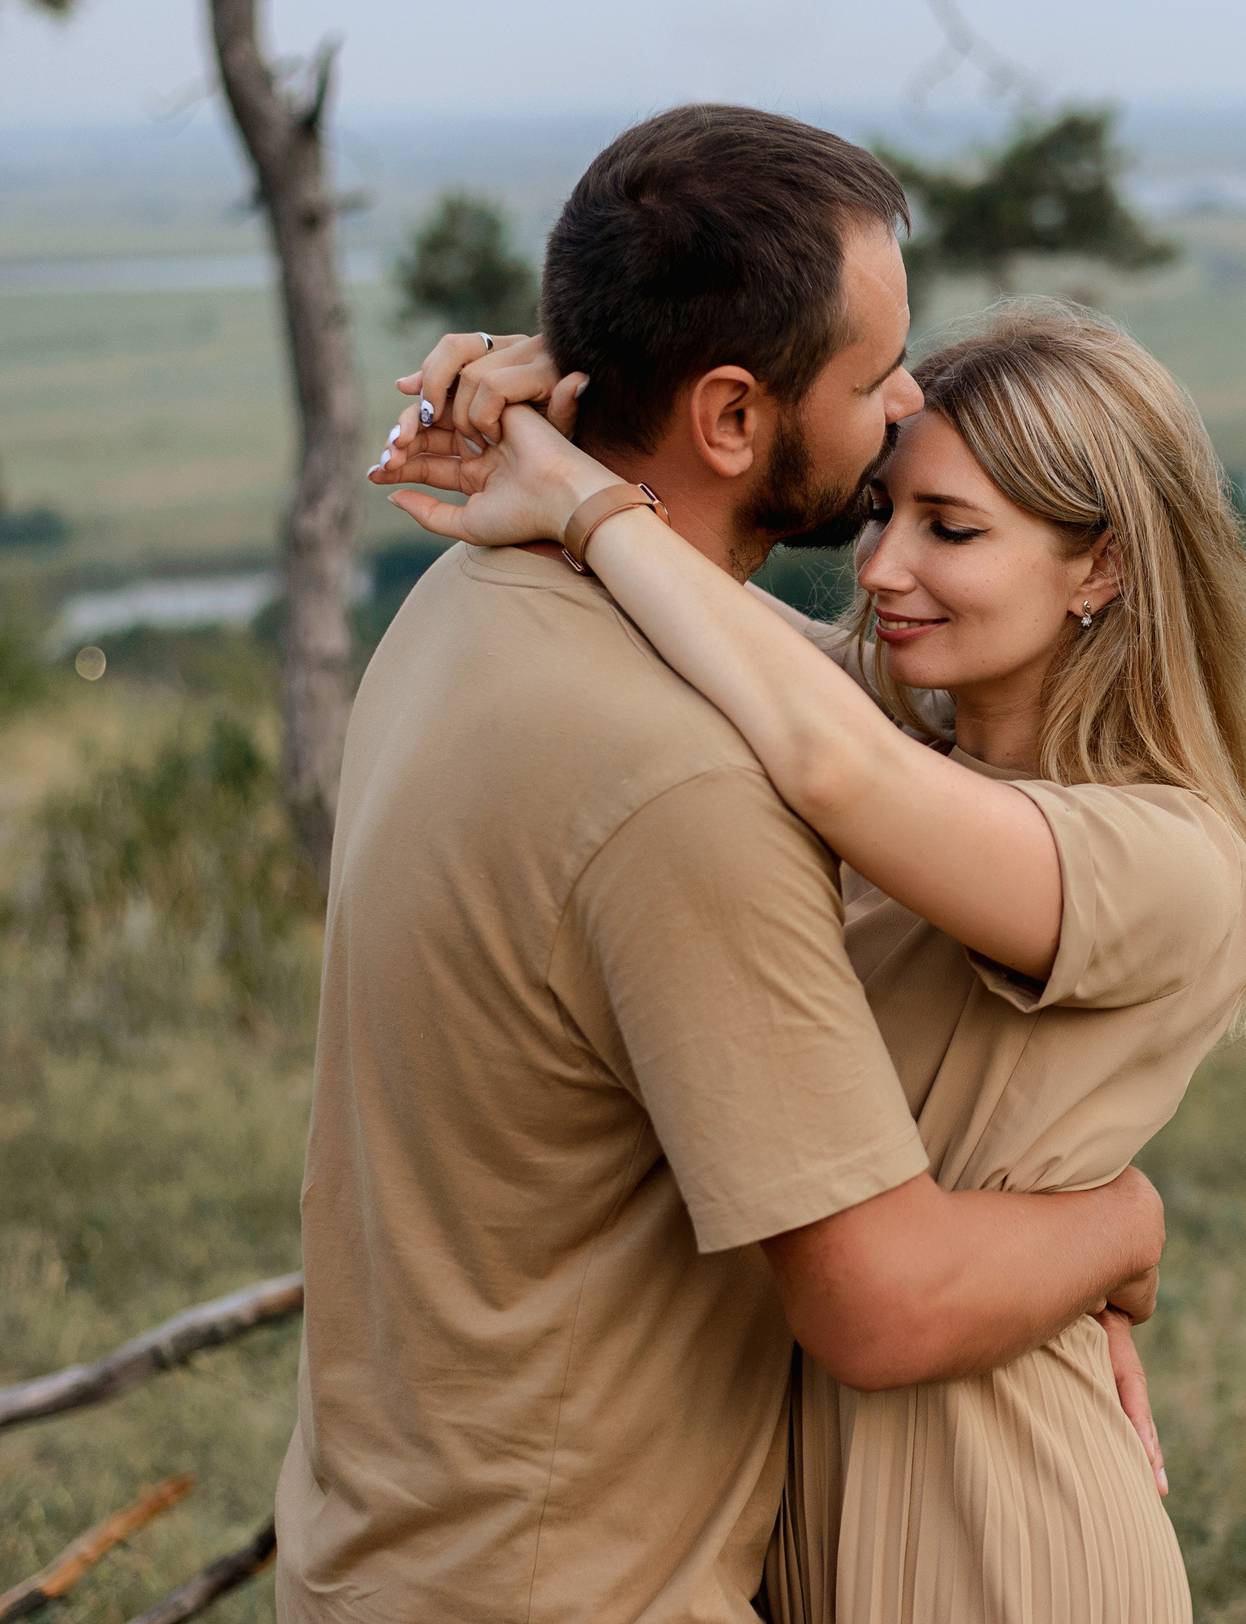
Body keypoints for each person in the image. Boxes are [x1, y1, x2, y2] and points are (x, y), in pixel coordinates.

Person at [277, 106, 1170, 1624]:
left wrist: (563, 408)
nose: (906, 404)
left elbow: (788, 681)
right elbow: (881, 1301)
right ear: (735, 419)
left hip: (387, 1558)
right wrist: (1123, 1223)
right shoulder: (682, 784)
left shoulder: (472, 594)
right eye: (871, 377)